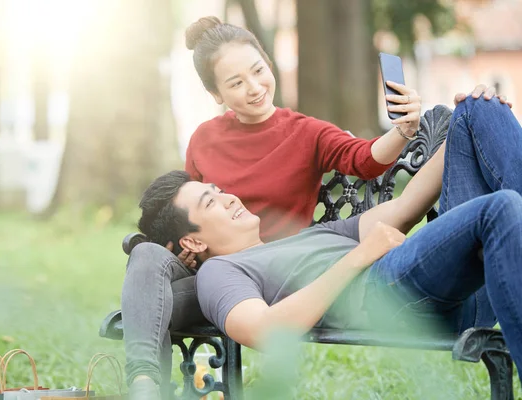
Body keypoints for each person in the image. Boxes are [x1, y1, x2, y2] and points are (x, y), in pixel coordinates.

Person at [123, 15, 435, 398]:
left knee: (147, 302)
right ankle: (143, 386)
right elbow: (188, 212)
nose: (254, 88)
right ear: (217, 94)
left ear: (268, 64)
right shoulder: (204, 138)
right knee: (148, 256)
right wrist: (181, 248)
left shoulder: (306, 132)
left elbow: (366, 160)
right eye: (236, 83)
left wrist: (404, 129)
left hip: (268, 280)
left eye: (257, 72)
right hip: (212, 276)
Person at [137, 93, 522, 383]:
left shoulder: (300, 240)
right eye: (211, 201)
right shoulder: (220, 272)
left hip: (456, 282)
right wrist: (356, 258)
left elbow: (405, 208)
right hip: (390, 293)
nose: (229, 197)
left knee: (477, 106)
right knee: (500, 207)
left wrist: (460, 129)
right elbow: (266, 331)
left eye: (220, 190)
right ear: (193, 243)